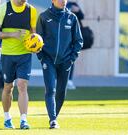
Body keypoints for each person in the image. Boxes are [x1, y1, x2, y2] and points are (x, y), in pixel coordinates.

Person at [36, 0, 83, 129]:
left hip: (65, 62)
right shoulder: (43, 17)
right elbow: (37, 40)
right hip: (48, 60)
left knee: (61, 92)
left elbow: (78, 41)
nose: (63, 1)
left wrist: (71, 59)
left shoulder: (72, 17)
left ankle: (54, 116)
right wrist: (41, 58)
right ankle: (53, 120)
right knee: (51, 89)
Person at [0, 0, 37, 129]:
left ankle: (24, 120)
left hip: (25, 55)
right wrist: (13, 34)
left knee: (22, 85)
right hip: (7, 55)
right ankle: (7, 118)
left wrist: (36, 45)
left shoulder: (31, 10)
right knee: (8, 87)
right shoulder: (3, 8)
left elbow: (34, 33)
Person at [66, 1, 84, 89]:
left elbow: (82, 16)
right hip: (63, 36)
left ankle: (69, 80)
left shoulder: (74, 4)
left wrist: (78, 10)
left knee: (71, 58)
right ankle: (59, 80)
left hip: (73, 37)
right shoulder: (61, 3)